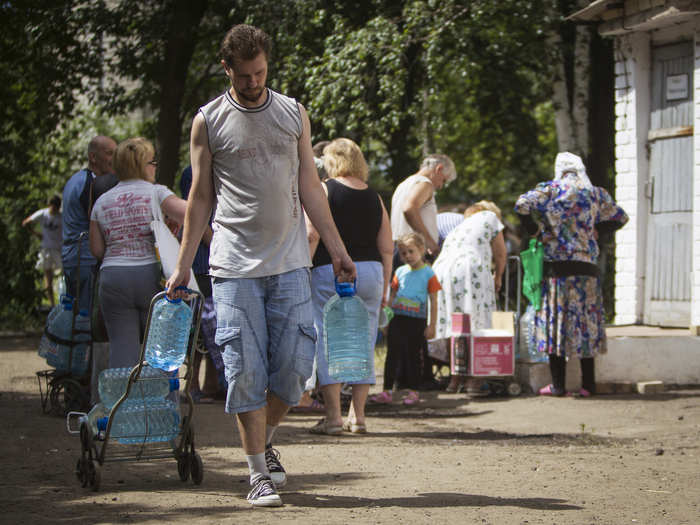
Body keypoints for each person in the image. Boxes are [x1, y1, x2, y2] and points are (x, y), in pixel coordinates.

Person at [164, 24, 356, 507]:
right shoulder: (208, 120)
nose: (253, 83)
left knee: (293, 370)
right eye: (244, 75)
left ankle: (263, 440)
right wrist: (184, 264)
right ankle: (256, 473)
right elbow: (201, 196)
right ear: (227, 68)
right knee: (244, 369)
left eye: (261, 73)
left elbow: (311, 185)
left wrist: (336, 248)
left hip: (291, 263)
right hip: (232, 268)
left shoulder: (292, 113)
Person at [515, 152, 628, 397]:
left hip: (557, 269)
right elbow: (621, 217)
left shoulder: (550, 190)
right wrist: (597, 230)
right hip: (587, 268)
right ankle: (589, 385)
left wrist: (534, 230)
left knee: (556, 325)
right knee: (586, 325)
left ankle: (558, 386)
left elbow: (521, 205)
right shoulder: (596, 193)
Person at [304, 138, 393, 436]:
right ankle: (359, 416)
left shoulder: (324, 190)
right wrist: (385, 290)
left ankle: (333, 418)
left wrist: (304, 269)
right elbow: (387, 247)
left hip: (330, 269)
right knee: (364, 342)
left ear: (331, 161)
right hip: (371, 272)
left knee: (328, 339)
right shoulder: (375, 197)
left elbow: (311, 234)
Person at [89, 137, 187, 368]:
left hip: (113, 278)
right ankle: (161, 402)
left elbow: (97, 250)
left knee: (122, 347)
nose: (155, 167)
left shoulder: (102, 201)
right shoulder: (156, 193)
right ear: (142, 164)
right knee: (160, 347)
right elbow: (191, 214)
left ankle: (123, 401)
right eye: (152, 162)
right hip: (150, 277)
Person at [430, 201, 507, 393]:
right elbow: (500, 253)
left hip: (443, 270)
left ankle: (455, 379)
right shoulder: (491, 218)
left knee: (455, 323)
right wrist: (498, 276)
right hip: (469, 268)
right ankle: (475, 378)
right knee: (477, 321)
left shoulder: (460, 227)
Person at [373, 232, 441, 404]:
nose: (407, 256)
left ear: (422, 250)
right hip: (397, 319)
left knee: (413, 356)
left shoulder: (429, 274)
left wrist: (431, 325)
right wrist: (386, 320)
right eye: (403, 253)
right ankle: (387, 390)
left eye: (411, 251)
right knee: (392, 355)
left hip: (417, 321)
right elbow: (392, 295)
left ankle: (414, 391)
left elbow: (434, 301)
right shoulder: (400, 272)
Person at [179, 165, 225, 403]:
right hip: (201, 260)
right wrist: (221, 245)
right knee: (198, 326)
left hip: (207, 260)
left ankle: (211, 383)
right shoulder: (195, 172)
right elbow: (194, 212)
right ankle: (193, 384)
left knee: (209, 328)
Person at [62, 135, 117, 313]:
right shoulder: (90, 183)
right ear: (93, 157)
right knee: (87, 316)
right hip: (85, 259)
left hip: (72, 258)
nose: (114, 159)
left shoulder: (76, 179)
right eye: (110, 153)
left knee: (74, 315)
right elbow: (97, 221)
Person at [390, 154, 456, 266]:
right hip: (414, 253)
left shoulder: (403, 184)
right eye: (443, 180)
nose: (440, 186)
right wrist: (430, 243)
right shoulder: (425, 184)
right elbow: (409, 208)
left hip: (399, 249)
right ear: (438, 169)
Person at [22, 195, 63, 307]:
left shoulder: (61, 217)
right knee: (48, 280)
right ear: (50, 205)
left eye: (56, 208)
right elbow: (26, 222)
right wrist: (36, 234)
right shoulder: (43, 214)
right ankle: (52, 305)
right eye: (53, 207)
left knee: (65, 276)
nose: (54, 210)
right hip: (46, 249)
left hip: (59, 249)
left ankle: (63, 303)